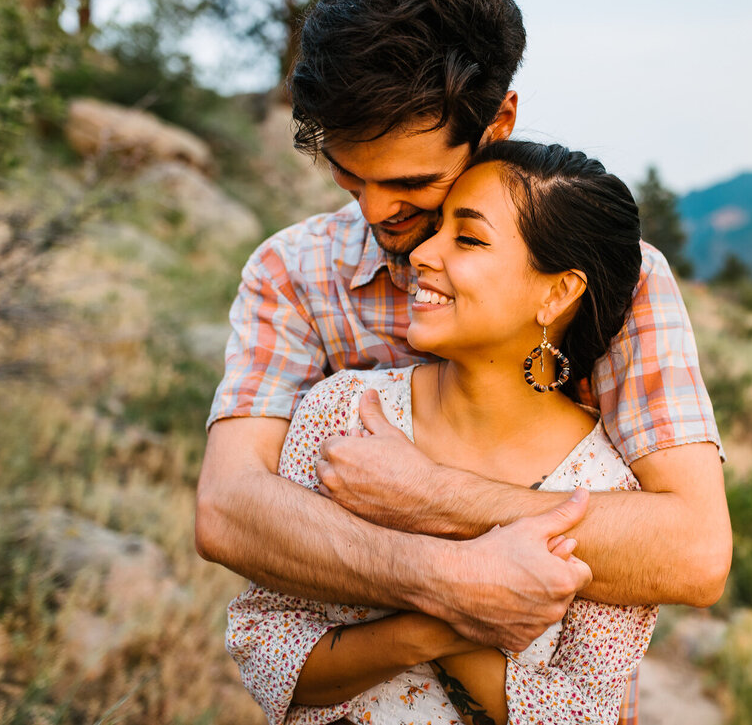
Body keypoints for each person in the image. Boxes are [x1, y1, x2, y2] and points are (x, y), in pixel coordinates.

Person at [195, 0, 731, 721]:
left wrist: (429, 494)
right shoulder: (293, 273)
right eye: (351, 176)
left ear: (499, 117)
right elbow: (230, 508)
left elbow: (690, 548)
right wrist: (446, 586)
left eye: (412, 181)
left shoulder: (622, 281)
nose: (379, 213)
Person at [228, 141, 659, 725]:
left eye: (469, 238)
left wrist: (429, 537)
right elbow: (264, 645)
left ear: (556, 292)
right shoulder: (347, 412)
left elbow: (584, 715)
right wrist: (444, 613)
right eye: (439, 231)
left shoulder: (607, 494)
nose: (422, 254)